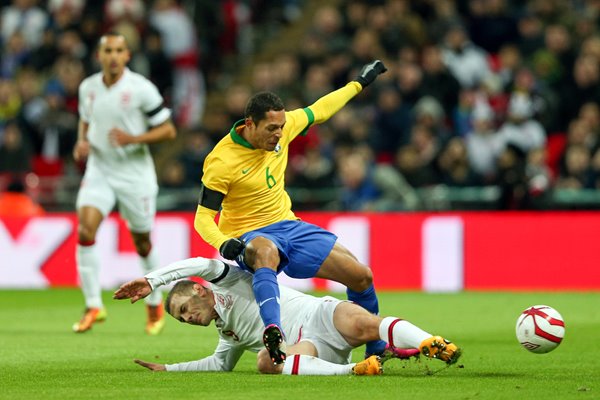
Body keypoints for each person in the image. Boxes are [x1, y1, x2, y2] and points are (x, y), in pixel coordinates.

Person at [193, 60, 388, 364]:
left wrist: (359, 83)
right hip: (248, 234)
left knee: (361, 276)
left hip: (288, 225)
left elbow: (321, 109)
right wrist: (223, 243)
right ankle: (274, 330)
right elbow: (203, 217)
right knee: (266, 254)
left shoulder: (283, 130)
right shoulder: (221, 162)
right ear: (250, 123)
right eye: (271, 128)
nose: (279, 135)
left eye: (281, 127)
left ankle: (377, 350)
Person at [113, 256, 462, 375]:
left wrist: (153, 279)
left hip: (321, 315)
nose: (186, 318)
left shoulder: (229, 280)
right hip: (307, 350)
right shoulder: (227, 334)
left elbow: (200, 264)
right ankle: (353, 370)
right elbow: (220, 366)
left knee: (367, 323)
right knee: (266, 360)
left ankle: (431, 342)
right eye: (180, 319)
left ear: (200, 290)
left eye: (185, 309)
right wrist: (169, 368)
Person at [71, 32, 177, 335]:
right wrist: (82, 142)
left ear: (127, 56)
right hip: (100, 170)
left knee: (142, 242)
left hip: (134, 174)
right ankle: (93, 305)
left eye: (119, 50)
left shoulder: (141, 89)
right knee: (85, 230)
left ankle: (155, 301)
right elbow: (85, 119)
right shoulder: (87, 87)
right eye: (108, 51)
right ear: (99, 56)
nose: (113, 56)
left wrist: (134, 138)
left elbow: (168, 131)